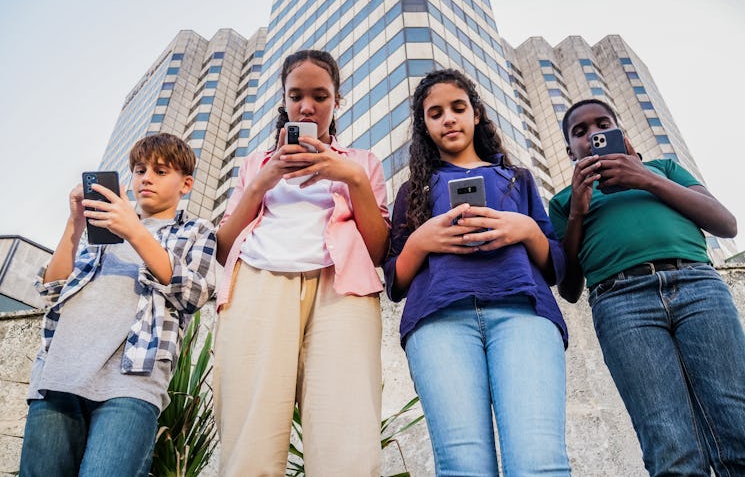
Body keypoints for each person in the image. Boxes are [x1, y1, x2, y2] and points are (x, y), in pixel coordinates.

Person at [384, 68, 571, 476]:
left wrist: (523, 228)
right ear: (425, 127)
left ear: (476, 114)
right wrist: (421, 241)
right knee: (462, 466)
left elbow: (555, 265)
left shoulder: (517, 179)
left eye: (457, 108)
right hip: (438, 322)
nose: (448, 118)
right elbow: (394, 280)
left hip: (524, 315)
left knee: (538, 462)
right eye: (435, 113)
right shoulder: (412, 190)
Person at [213, 49, 390, 476]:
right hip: (257, 283)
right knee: (249, 437)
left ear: (337, 101)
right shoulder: (256, 163)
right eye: (296, 96)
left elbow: (379, 249)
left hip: (342, 291)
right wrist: (265, 178)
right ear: (284, 101)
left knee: (346, 435)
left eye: (320, 96)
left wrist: (348, 175)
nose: (307, 106)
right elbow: (222, 246)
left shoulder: (363, 163)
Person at [549, 98, 745, 476]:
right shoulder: (563, 201)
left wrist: (644, 177)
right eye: (580, 132)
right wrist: (578, 210)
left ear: (622, 133)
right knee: (669, 445)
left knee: (739, 424)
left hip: (698, 287)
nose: (593, 135)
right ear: (570, 150)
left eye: (602, 124)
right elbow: (570, 287)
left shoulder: (664, 169)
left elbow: (726, 224)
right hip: (621, 303)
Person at [20, 133, 217, 477]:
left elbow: (194, 293)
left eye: (160, 171)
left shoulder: (195, 231)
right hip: (59, 373)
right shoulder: (103, 227)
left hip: (131, 382)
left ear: (186, 184)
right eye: (140, 170)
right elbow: (52, 289)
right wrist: (76, 222)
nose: (146, 178)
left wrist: (135, 232)